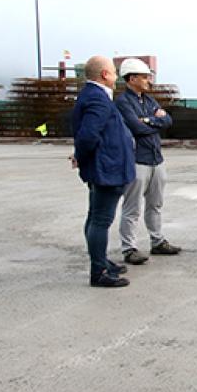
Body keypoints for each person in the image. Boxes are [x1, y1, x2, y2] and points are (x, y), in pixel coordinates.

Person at [72, 55, 136, 287]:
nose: (117, 76)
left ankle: (101, 261)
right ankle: (98, 272)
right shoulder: (97, 99)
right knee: (100, 220)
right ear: (105, 74)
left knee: (95, 217)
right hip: (107, 170)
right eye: (114, 72)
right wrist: (81, 155)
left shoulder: (92, 95)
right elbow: (88, 135)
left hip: (104, 167)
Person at [115, 58, 182, 265]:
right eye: (144, 77)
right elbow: (136, 128)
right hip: (138, 161)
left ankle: (157, 240)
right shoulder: (123, 102)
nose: (148, 80)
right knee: (132, 207)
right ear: (132, 78)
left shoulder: (148, 100)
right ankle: (129, 248)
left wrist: (149, 121)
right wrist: (154, 121)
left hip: (155, 160)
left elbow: (168, 120)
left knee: (155, 204)